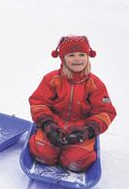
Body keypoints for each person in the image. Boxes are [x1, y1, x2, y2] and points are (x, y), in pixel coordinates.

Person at [28, 36, 116, 172]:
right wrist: (48, 125)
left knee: (76, 162)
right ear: (63, 58)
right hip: (54, 125)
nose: (77, 59)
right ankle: (50, 147)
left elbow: (104, 112)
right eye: (71, 55)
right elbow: (39, 103)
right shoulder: (51, 79)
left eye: (82, 54)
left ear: (88, 57)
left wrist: (88, 130)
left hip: (80, 129)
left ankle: (71, 154)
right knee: (42, 154)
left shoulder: (96, 84)